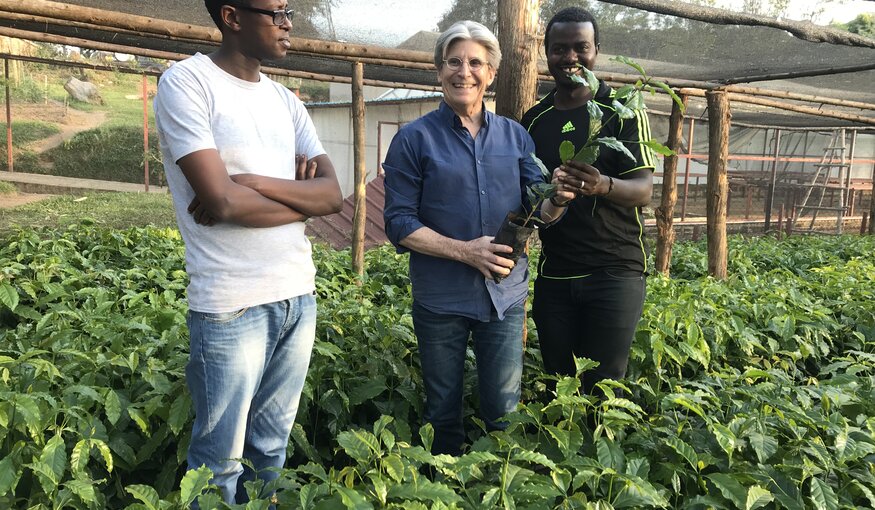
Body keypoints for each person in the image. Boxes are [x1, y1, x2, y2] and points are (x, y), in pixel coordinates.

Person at [153, 0, 342, 504]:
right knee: (218, 463)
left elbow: (331, 196)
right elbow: (219, 201)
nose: (287, 24)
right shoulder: (186, 84)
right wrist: (294, 199)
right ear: (233, 17)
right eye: (275, 13)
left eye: (289, 12)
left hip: (297, 296)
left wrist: (253, 184)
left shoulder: (287, 101)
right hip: (230, 304)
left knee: (270, 451)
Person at [382, 20, 543, 456]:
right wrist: (465, 251)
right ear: (438, 71)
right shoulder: (413, 140)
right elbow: (398, 222)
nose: (464, 71)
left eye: (475, 62)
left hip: (504, 296)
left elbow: (541, 208)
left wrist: (560, 197)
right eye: (453, 61)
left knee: (504, 410)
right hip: (441, 300)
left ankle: (497, 487)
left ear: (491, 73)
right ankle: (446, 488)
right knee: (442, 411)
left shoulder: (516, 137)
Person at [523, 7, 655, 395]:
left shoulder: (623, 109)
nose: (571, 58)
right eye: (560, 49)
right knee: (558, 386)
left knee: (603, 389)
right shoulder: (533, 120)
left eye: (581, 47)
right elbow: (530, 197)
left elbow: (644, 189)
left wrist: (602, 185)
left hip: (615, 270)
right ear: (546, 53)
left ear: (596, 50)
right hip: (557, 274)